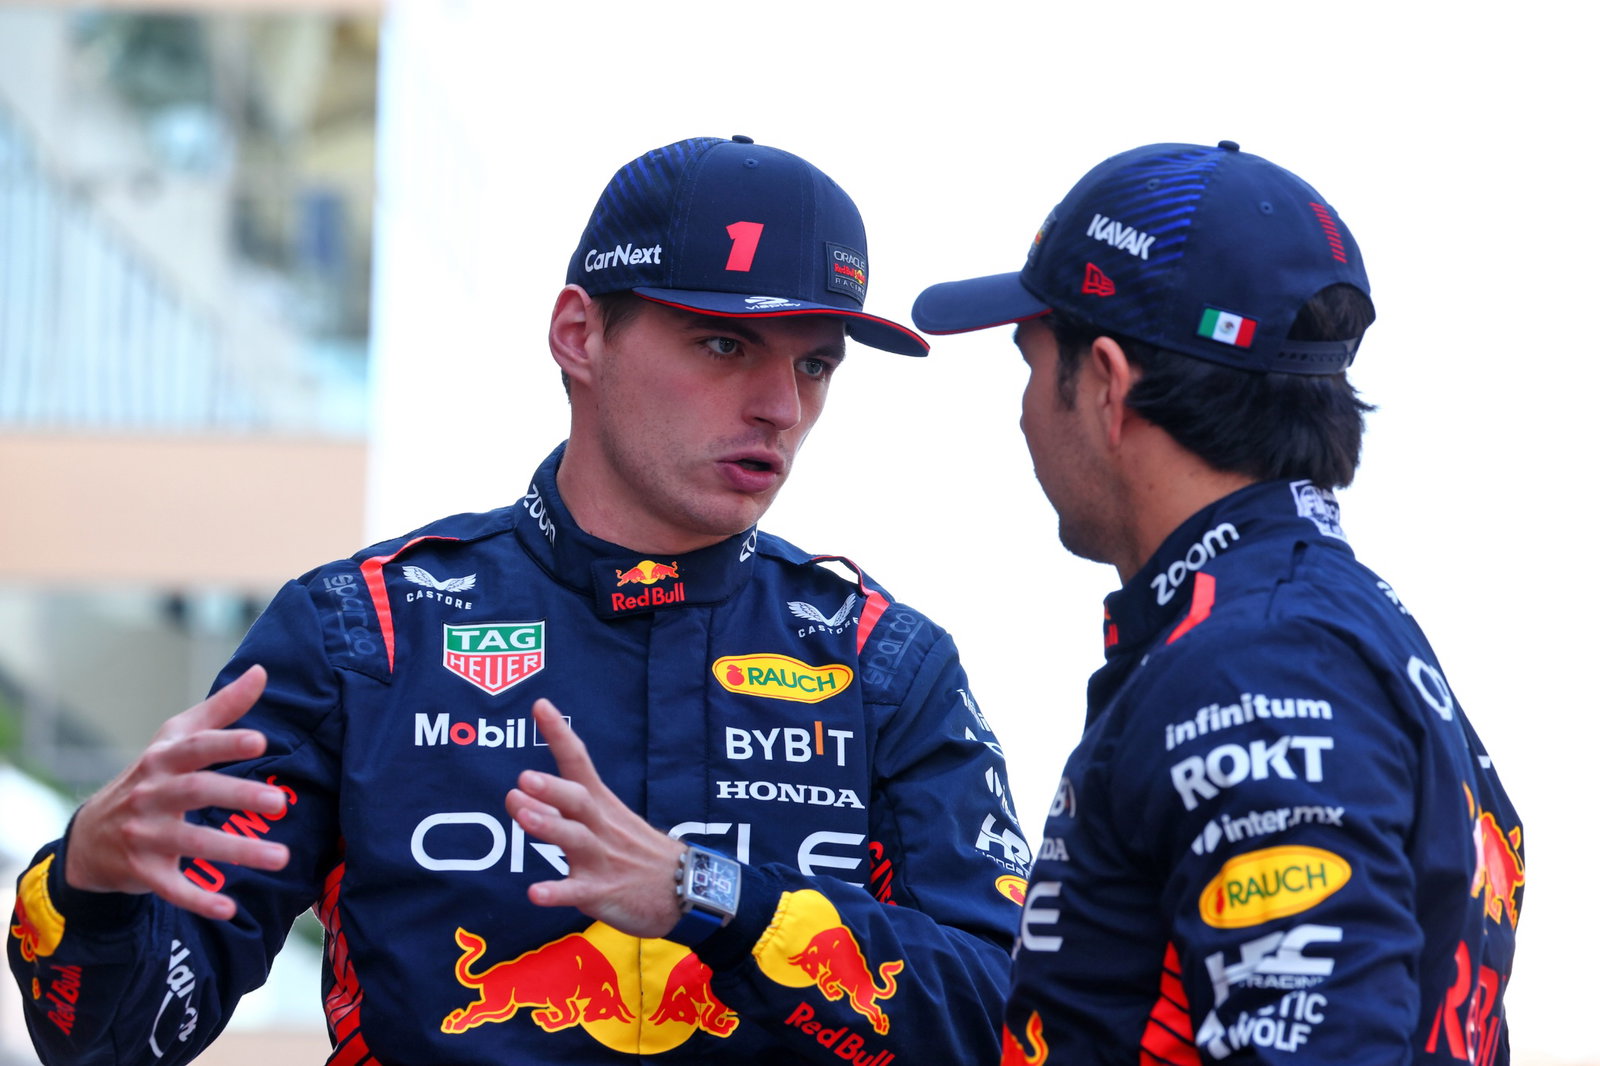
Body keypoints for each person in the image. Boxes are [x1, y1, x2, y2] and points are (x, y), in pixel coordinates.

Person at [7, 135, 1033, 1065]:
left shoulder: (880, 664)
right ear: (579, 334)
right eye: (724, 346)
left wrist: (711, 896)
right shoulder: (366, 633)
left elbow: (1012, 1020)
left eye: (814, 365)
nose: (780, 406)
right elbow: (113, 1041)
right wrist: (88, 883)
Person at [912, 141, 1523, 1063]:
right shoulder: (1330, 622)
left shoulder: (1256, 661)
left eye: (1032, 365)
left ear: (1108, 385)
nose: (1028, 410)